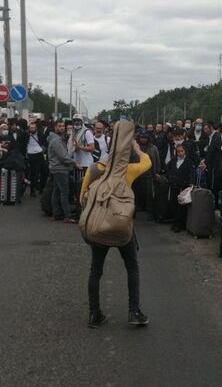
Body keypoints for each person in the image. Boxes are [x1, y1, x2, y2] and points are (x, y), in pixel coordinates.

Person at [81, 127, 152, 328]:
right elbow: (148, 162)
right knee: (132, 267)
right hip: (122, 228)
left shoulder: (94, 169)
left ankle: (94, 313)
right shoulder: (128, 170)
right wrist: (137, 149)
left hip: (98, 228)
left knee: (96, 270)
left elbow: (82, 198)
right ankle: (134, 311)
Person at [48, 119, 80, 223]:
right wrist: (74, 163)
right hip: (60, 169)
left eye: (63, 126)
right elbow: (63, 157)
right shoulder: (57, 140)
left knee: (56, 191)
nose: (62, 128)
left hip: (56, 168)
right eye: (59, 126)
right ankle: (67, 216)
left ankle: (56, 214)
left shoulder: (57, 139)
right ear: (55, 127)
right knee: (64, 192)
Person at [133, 130, 161, 220]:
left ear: (148, 138)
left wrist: (156, 172)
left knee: (149, 196)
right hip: (137, 175)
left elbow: (157, 161)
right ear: (139, 137)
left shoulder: (153, 148)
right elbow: (131, 160)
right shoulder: (135, 147)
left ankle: (150, 214)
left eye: (145, 137)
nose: (143, 139)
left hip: (148, 176)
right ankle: (133, 213)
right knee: (135, 196)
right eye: (142, 137)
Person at [166, 144, 194, 232]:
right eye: (178, 151)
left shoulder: (189, 161)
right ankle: (175, 222)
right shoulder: (173, 161)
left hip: (183, 187)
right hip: (174, 186)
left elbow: (192, 173)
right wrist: (170, 177)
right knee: (173, 204)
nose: (180, 153)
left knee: (181, 206)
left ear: (185, 151)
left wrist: (191, 182)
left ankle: (180, 225)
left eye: (182, 151)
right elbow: (168, 169)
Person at [25, 121, 46, 197]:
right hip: (31, 154)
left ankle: (41, 188)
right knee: (33, 173)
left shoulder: (40, 134)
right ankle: (32, 189)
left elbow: (44, 142)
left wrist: (43, 149)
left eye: (34, 128)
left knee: (43, 171)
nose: (32, 129)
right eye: (31, 128)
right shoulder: (26, 135)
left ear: (36, 128)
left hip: (39, 153)